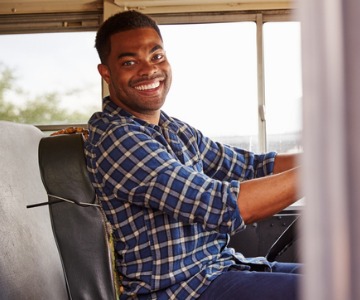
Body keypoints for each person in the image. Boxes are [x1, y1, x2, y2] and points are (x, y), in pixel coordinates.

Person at [85, 10, 302, 299]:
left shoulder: (174, 129)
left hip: (221, 268)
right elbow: (220, 205)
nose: (149, 70)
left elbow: (252, 166)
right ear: (107, 73)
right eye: (129, 62)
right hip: (182, 290)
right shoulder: (117, 138)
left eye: (156, 56)